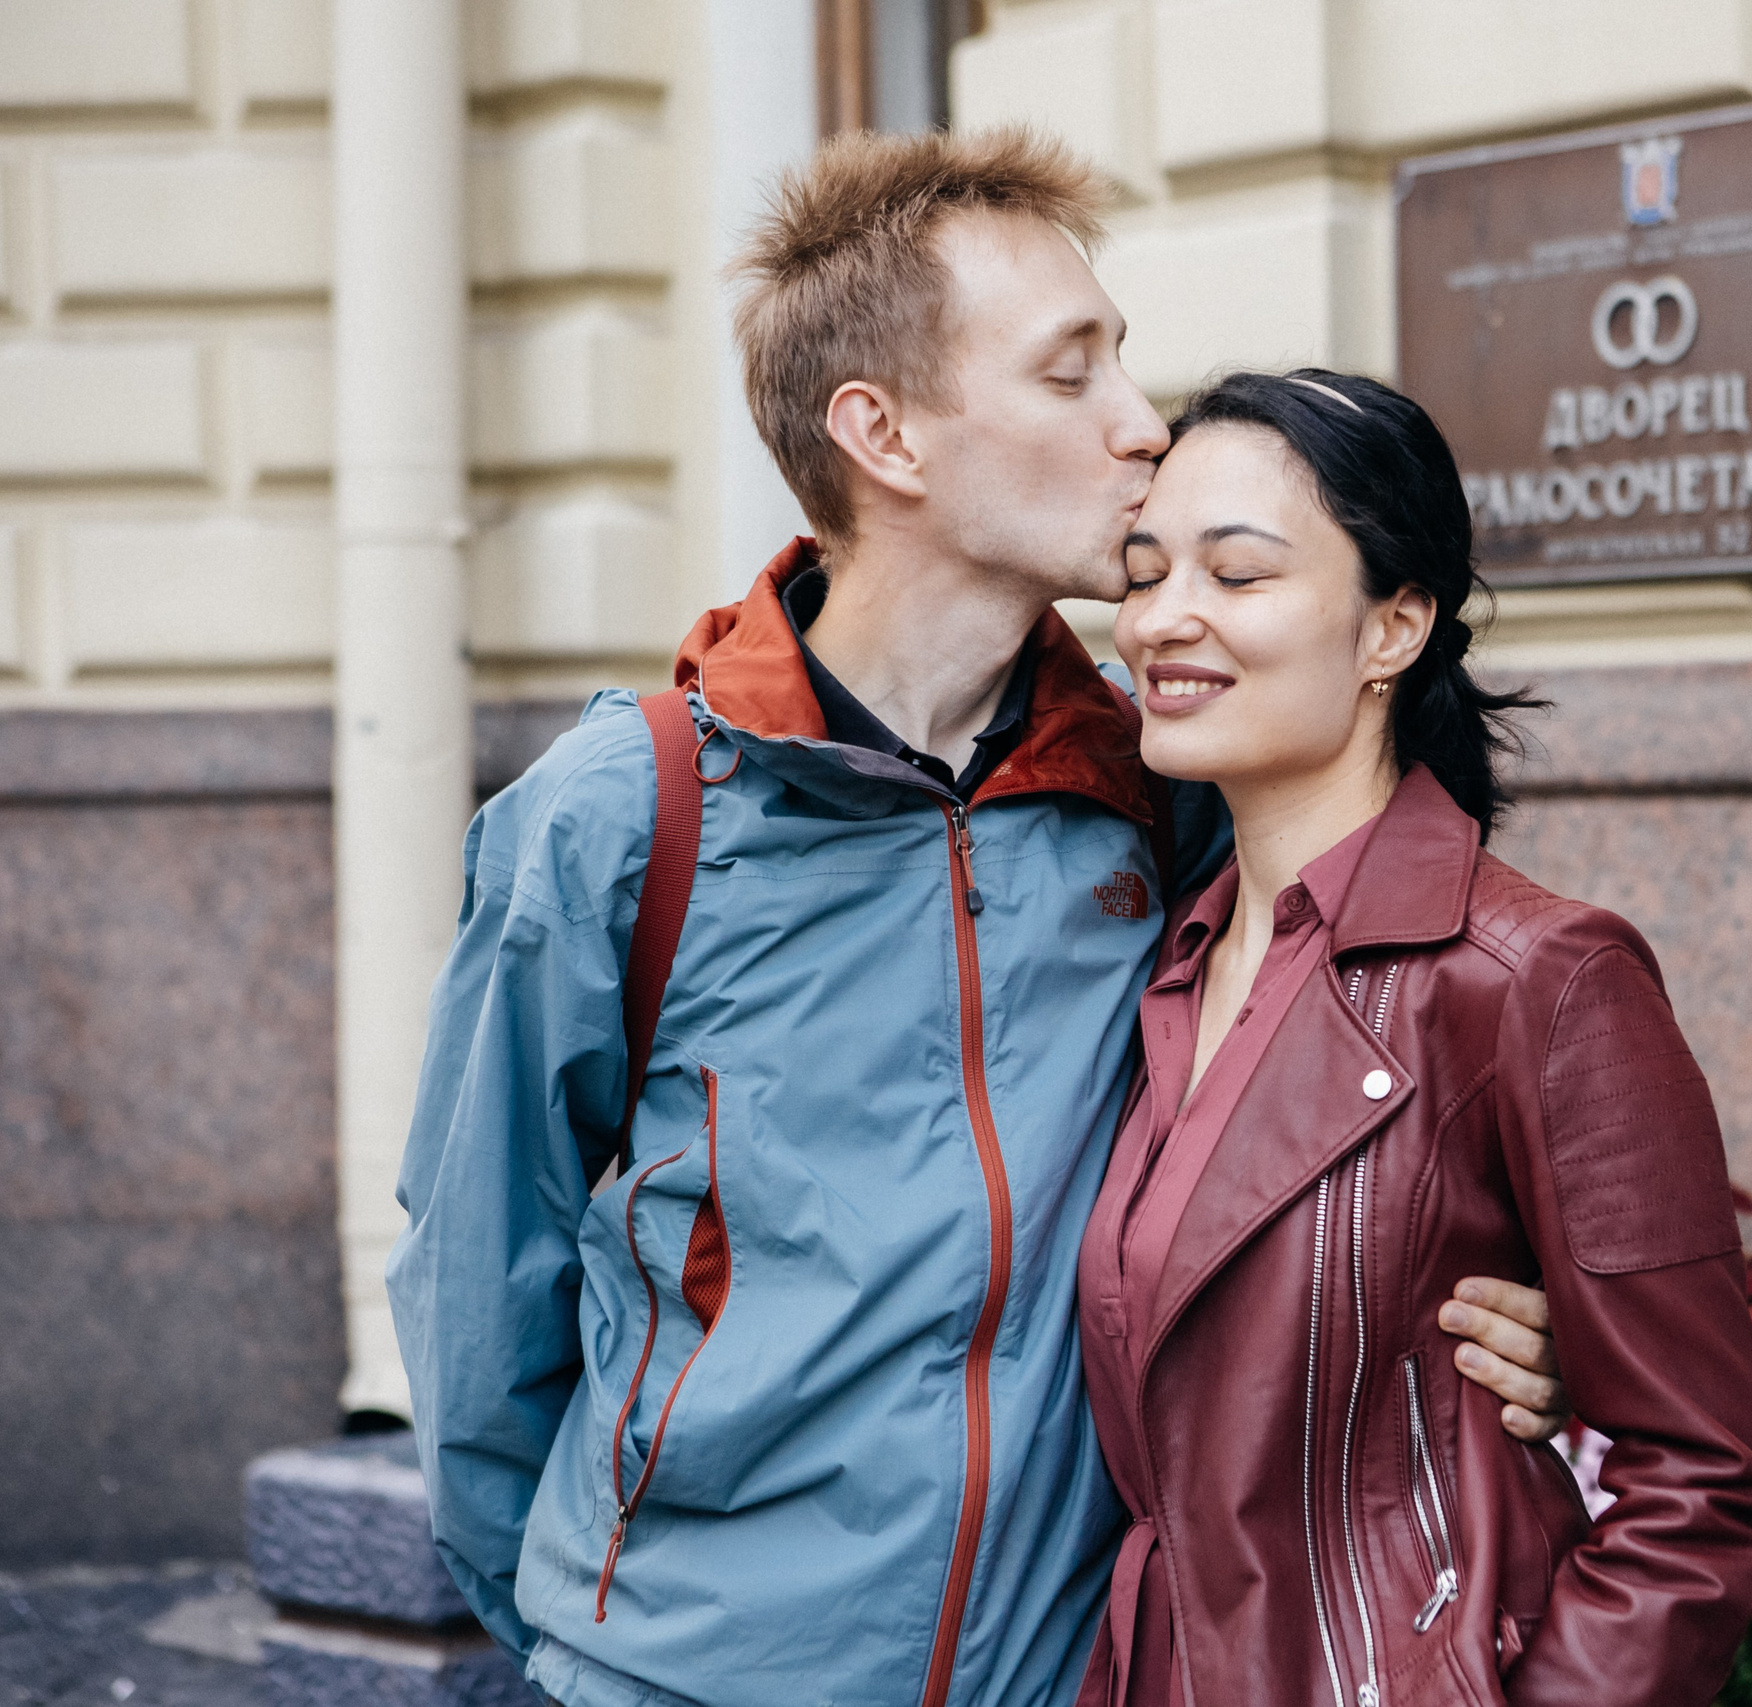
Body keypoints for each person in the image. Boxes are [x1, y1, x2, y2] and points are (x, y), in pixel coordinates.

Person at [386, 131, 1564, 1707]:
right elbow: (481, 1291)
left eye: (1122, 365)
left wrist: (1504, 1327)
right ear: (885, 434)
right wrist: (591, 1639)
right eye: (1071, 375)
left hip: (1065, 1675)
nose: (1143, 429)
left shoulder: (1169, 794)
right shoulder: (627, 815)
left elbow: (1364, 1111)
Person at [1077, 368, 1752, 1707]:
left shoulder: (1536, 976)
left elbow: (1705, 1489)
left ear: (1392, 627)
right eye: (1142, 571)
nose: (1163, 619)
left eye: (1236, 577)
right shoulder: (1167, 961)